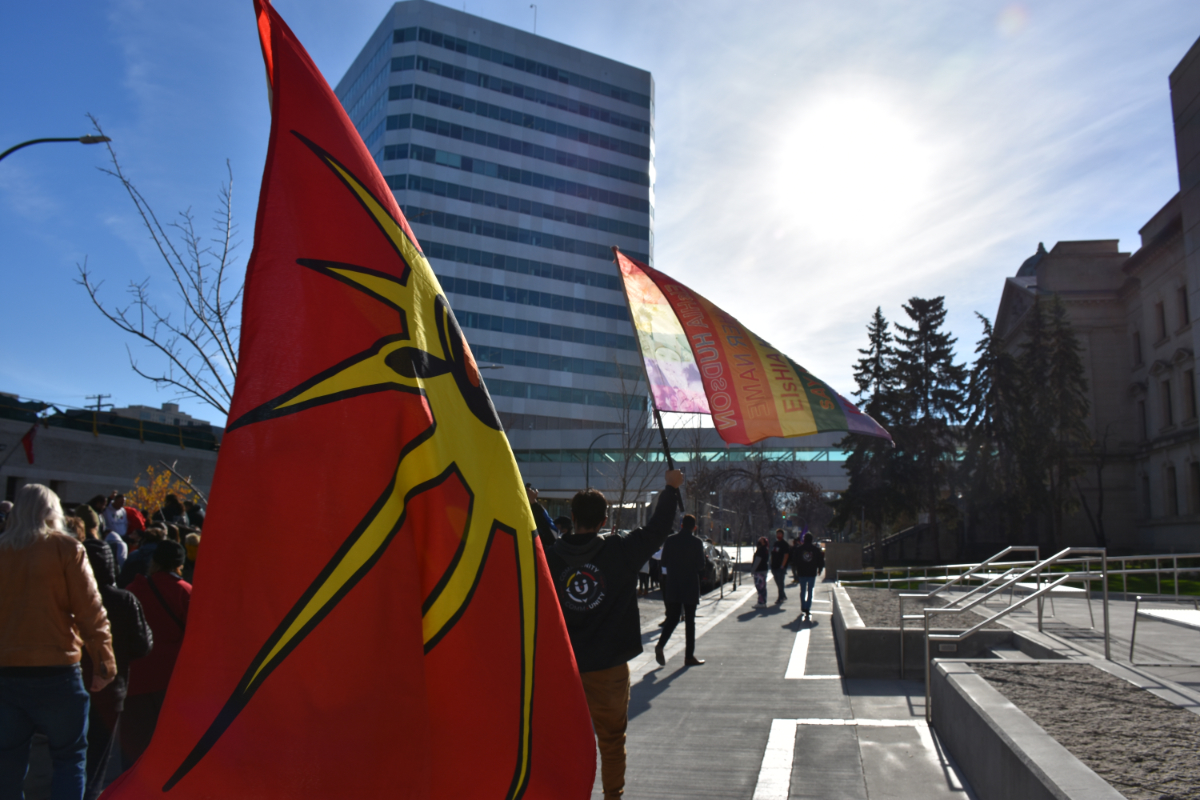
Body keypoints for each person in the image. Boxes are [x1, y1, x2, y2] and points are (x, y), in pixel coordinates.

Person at [544, 469, 683, 800]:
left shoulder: (548, 558)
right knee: (611, 740)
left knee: (561, 739)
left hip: (563, 668)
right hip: (609, 667)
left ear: (573, 517)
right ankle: (612, 795)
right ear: (605, 520)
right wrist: (669, 489)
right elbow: (657, 530)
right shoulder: (620, 550)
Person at [0, 483, 116, 800]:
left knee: (7, 763)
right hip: (58, 671)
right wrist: (104, 663)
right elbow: (91, 611)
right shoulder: (67, 549)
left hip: (7, 672)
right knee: (69, 758)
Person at [79, 542, 152, 800]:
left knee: (70, 756)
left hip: (71, 684)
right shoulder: (123, 600)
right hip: (111, 689)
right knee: (97, 758)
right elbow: (142, 645)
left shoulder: (65, 596)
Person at [122, 540, 190, 767]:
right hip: (172, 680)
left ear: (155, 561)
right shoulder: (186, 592)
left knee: (136, 749)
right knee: (170, 745)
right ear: (180, 564)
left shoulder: (133, 590)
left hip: (136, 679)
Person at [654, 515, 705, 667]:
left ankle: (661, 645)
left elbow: (663, 561)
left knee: (673, 618)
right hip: (690, 584)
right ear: (694, 528)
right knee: (690, 621)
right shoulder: (697, 542)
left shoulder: (670, 540)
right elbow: (701, 565)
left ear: (681, 525)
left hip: (673, 584)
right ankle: (689, 656)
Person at [792, 532, 826, 621]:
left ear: (804, 539)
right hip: (812, 572)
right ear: (812, 540)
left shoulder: (799, 549)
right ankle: (808, 608)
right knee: (810, 590)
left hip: (802, 572)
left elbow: (794, 561)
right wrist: (820, 569)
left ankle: (803, 606)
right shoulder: (815, 549)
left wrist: (795, 571)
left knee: (802, 590)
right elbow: (820, 560)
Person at [769, 529, 790, 604]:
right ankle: (783, 595)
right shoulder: (775, 543)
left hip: (780, 567)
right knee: (778, 582)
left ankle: (780, 597)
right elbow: (772, 554)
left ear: (782, 535)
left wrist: (782, 565)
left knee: (780, 582)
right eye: (777, 534)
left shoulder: (784, 544)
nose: (778, 535)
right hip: (774, 566)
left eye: (780, 534)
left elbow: (786, 555)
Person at [750, 536, 770, 606]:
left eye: (761, 541)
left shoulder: (761, 550)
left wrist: (753, 570)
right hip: (763, 570)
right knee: (762, 586)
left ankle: (762, 602)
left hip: (759, 570)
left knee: (760, 586)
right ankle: (762, 601)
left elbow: (757, 561)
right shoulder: (765, 549)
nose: (759, 542)